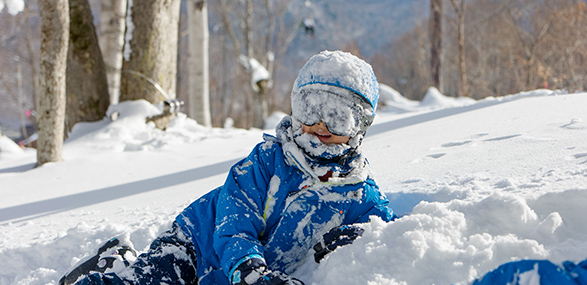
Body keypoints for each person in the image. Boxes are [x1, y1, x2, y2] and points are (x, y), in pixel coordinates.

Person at [60, 50, 398, 285]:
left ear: (359, 126)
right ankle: (110, 270)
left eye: (338, 115)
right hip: (196, 245)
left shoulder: (356, 189)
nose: (321, 124)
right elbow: (234, 223)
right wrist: (249, 268)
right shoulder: (268, 160)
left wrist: (355, 236)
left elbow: (388, 229)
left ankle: (116, 257)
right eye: (310, 109)